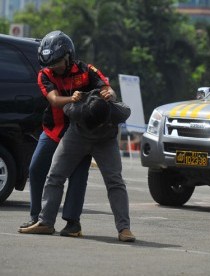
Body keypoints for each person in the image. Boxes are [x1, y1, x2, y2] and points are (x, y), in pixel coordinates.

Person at [20, 87, 136, 242]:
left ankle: (124, 228)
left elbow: (115, 96)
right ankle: (45, 222)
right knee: (55, 176)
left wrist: (111, 94)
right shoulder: (74, 108)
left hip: (105, 142)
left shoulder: (120, 112)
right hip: (77, 137)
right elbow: (64, 105)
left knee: (115, 182)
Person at [18, 30, 100, 237]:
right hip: (53, 130)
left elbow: (106, 87)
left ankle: (73, 223)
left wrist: (107, 93)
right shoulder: (44, 74)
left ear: (68, 57)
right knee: (36, 169)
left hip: (81, 132)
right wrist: (73, 98)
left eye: (57, 63)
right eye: (50, 65)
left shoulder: (86, 71)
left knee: (78, 175)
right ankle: (37, 217)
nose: (54, 68)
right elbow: (54, 100)